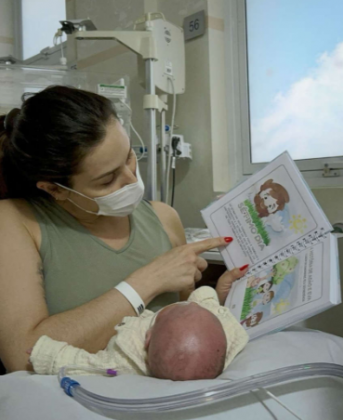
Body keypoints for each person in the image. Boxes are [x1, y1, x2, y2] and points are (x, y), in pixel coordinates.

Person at [0, 86, 248, 373]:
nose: (131, 180)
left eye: (129, 157)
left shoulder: (164, 218)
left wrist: (216, 305)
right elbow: (22, 356)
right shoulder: (15, 221)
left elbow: (176, 327)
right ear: (54, 188)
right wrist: (147, 281)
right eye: (108, 180)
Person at [29, 269, 249, 380]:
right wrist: (208, 296)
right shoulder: (221, 327)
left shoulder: (124, 361)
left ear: (148, 337)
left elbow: (80, 364)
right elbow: (205, 299)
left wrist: (45, 353)